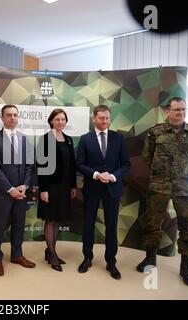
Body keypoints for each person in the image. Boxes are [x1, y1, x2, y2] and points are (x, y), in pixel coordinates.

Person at [137, 97, 188, 287]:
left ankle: (186, 268)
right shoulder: (155, 132)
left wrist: (185, 172)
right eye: (176, 110)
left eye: (183, 109)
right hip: (159, 186)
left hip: (185, 187)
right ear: (168, 111)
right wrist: (162, 174)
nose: (180, 113)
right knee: (152, 224)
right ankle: (150, 259)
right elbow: (146, 157)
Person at [76, 104, 130, 280]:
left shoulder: (119, 138)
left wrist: (113, 176)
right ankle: (87, 258)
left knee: (112, 226)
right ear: (94, 118)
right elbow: (80, 164)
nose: (104, 121)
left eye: (107, 118)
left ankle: (111, 261)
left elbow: (126, 165)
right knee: (88, 225)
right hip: (92, 188)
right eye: (101, 118)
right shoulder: (85, 139)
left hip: (112, 189)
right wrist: (97, 174)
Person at [0, 104, 36, 276]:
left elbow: (30, 165)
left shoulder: (24, 138)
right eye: (8, 115)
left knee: (19, 225)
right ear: (2, 118)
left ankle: (17, 255)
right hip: (3, 193)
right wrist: (10, 189)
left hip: (21, 193)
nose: (12, 118)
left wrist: (25, 186)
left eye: (15, 115)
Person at [36, 109, 77, 272]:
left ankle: (50, 250)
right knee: (50, 219)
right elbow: (41, 167)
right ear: (51, 121)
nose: (61, 122)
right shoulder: (44, 139)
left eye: (63, 119)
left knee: (59, 219)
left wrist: (73, 186)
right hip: (50, 187)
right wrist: (43, 189)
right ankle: (53, 254)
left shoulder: (68, 140)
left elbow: (72, 165)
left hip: (65, 186)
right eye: (57, 119)